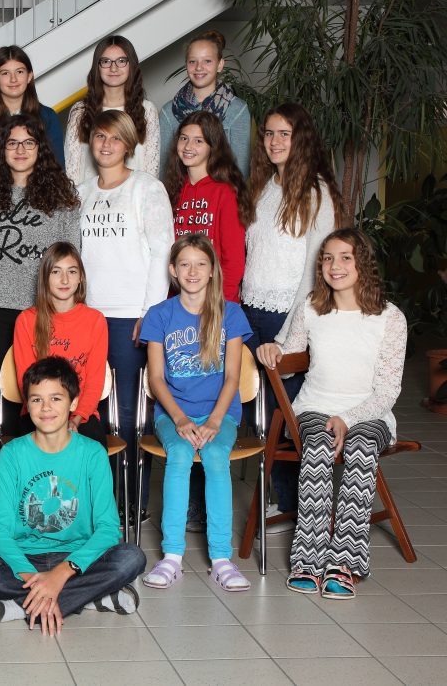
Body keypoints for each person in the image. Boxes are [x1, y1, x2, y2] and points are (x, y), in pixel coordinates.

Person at [257, 228, 406, 599]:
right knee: (319, 444)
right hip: (315, 407)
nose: (334, 266)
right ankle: (308, 561)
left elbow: (388, 391)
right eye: (327, 258)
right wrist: (274, 352)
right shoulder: (312, 307)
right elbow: (289, 360)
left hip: (370, 413)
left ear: (363, 263)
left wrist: (349, 419)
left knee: (361, 447)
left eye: (345, 258)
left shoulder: (390, 318)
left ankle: (344, 564)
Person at [0, 357, 146, 635]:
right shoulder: (11, 454)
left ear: (73, 403)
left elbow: (108, 529)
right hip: (25, 558)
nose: (46, 408)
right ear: (27, 405)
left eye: (56, 398)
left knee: (132, 557)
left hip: (77, 558)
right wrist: (33, 578)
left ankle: (14, 606)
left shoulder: (93, 453)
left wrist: (61, 574)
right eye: (36, 400)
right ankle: (89, 598)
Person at [242, 102, 342, 522]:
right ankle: (283, 498)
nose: (275, 141)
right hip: (251, 311)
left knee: (294, 414)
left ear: (301, 139)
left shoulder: (316, 192)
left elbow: (317, 270)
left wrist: (288, 335)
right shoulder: (263, 187)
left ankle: (301, 508)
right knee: (264, 411)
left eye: (284, 133)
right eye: (269, 133)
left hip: (289, 314)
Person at [139, 234, 254, 592]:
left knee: (216, 456)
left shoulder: (230, 313)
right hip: (174, 414)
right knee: (179, 453)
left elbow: (232, 376)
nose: (193, 271)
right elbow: (156, 379)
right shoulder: (159, 315)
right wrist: (180, 419)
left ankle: (221, 559)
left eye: (201, 264)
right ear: (173, 270)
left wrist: (216, 420)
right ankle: (172, 557)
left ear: (212, 270)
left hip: (220, 413)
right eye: (185, 264)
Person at [78, 109, 173, 522]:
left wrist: (150, 313)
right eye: (100, 136)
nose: (106, 144)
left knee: (131, 412)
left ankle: (132, 501)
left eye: (115, 138)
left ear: (129, 145)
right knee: (91, 407)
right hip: (88, 315)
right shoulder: (82, 192)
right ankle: (98, 498)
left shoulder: (147, 188)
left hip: (131, 315)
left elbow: (163, 251)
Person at [0, 115, 81, 382]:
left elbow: (72, 256)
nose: (20, 150)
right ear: (2, 149)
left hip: (46, 307)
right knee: (2, 387)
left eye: (28, 142)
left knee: (43, 385)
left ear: (40, 147)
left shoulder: (62, 195)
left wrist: (66, 306)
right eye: (12, 143)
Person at [13, 242, 109, 444]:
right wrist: (50, 416)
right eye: (56, 272)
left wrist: (76, 418)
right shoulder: (26, 320)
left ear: (80, 277)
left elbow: (95, 381)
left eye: (72, 272)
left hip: (80, 413)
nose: (64, 280)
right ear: (45, 277)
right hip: (38, 411)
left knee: (94, 446)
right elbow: (26, 380)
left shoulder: (95, 320)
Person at [163, 110, 249, 302]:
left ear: (213, 146)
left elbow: (234, 260)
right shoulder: (171, 191)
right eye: (184, 138)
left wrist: (222, 303)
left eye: (198, 141)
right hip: (179, 301)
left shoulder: (225, 192)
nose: (188, 146)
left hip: (215, 301)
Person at [0, 45, 65, 202]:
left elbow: (58, 172)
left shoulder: (47, 118)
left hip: (39, 206)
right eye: (5, 73)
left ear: (29, 76)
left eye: (20, 72)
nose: (13, 79)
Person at [65, 34, 160, 184]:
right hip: (88, 196)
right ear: (97, 66)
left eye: (121, 61)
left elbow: (151, 171)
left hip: (134, 195)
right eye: (106, 61)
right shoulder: (80, 111)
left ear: (131, 65)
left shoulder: (147, 110)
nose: (113, 68)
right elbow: (72, 171)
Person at [158, 30, 251, 178]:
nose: (199, 67)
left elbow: (241, 171)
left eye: (207, 61)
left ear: (220, 65)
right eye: (192, 61)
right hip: (181, 190)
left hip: (222, 190)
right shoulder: (169, 111)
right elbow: (164, 170)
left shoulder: (237, 110)